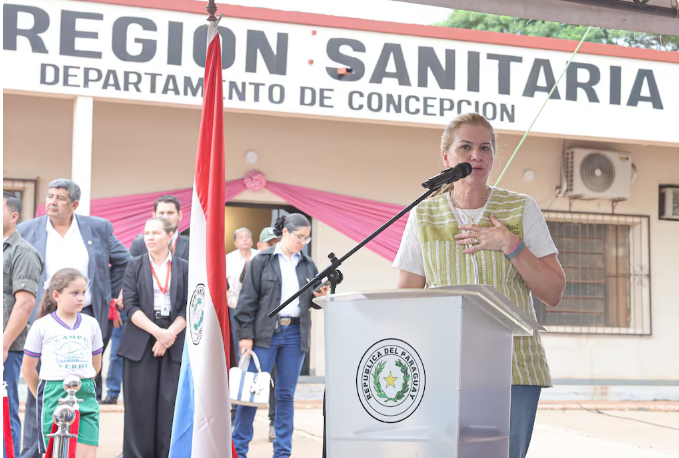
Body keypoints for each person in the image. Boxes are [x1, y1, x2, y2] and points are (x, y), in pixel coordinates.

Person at [393, 112, 566, 458]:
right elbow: (406, 299)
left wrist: (511, 244)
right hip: (444, 366)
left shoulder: (521, 208)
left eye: (485, 148)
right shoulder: (424, 214)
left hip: (514, 366)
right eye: (466, 147)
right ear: (446, 157)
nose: (476, 156)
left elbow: (554, 291)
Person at [17, 179, 130, 458]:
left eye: (60, 198)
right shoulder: (27, 230)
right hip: (43, 314)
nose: (52, 202)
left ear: (75, 205)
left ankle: (79, 449)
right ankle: (36, 450)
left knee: (82, 382)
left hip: (87, 313)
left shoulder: (98, 228)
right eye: (50, 196)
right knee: (45, 383)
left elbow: (124, 260)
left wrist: (106, 292)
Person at [233, 214, 328, 458]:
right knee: (250, 394)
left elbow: (311, 303)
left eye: (307, 239)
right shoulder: (262, 260)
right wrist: (246, 336)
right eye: (300, 237)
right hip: (264, 335)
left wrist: (320, 297)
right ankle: (238, 450)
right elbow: (246, 301)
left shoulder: (308, 264)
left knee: (286, 395)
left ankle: (282, 452)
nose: (303, 242)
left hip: (295, 334)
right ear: (285, 232)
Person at [101, 195, 189, 405]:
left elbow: (192, 300)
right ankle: (112, 391)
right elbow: (130, 285)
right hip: (142, 321)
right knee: (140, 398)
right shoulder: (140, 246)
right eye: (161, 213)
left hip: (176, 326)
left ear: (179, 216)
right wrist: (158, 333)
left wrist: (167, 334)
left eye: (170, 212)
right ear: (153, 215)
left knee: (170, 400)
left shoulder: (190, 246)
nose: (165, 216)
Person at [117, 217, 188, 458]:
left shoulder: (184, 267)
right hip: (140, 340)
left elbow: (190, 307)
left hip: (174, 341)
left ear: (170, 236)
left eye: (156, 233)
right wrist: (159, 333)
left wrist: (169, 335)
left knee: (170, 406)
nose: (149, 237)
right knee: (139, 407)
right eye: (146, 232)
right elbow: (129, 305)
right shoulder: (134, 265)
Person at [22, 268, 104, 458]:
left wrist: (84, 383)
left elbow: (96, 365)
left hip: (85, 394)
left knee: (87, 453)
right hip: (53, 392)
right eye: (74, 293)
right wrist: (43, 395)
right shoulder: (41, 325)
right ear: (56, 295)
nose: (81, 298)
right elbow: (28, 368)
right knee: (57, 453)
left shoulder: (91, 324)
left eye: (83, 292)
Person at [227, 227, 280, 440]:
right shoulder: (237, 260)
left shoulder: (281, 265)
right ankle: (235, 421)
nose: (274, 249)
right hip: (242, 319)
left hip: (269, 324)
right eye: (270, 244)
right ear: (261, 246)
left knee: (273, 375)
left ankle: (274, 422)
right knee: (243, 369)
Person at [3, 192, 44, 458]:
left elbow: (25, 304)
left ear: (14, 216)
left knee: (3, 413)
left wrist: (3, 345)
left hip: (6, 346)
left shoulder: (24, 253)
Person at [225, 228, 258, 301]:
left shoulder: (259, 256)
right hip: (236, 303)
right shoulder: (228, 259)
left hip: (257, 303)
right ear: (235, 243)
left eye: (247, 237)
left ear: (252, 241)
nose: (244, 240)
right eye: (240, 238)